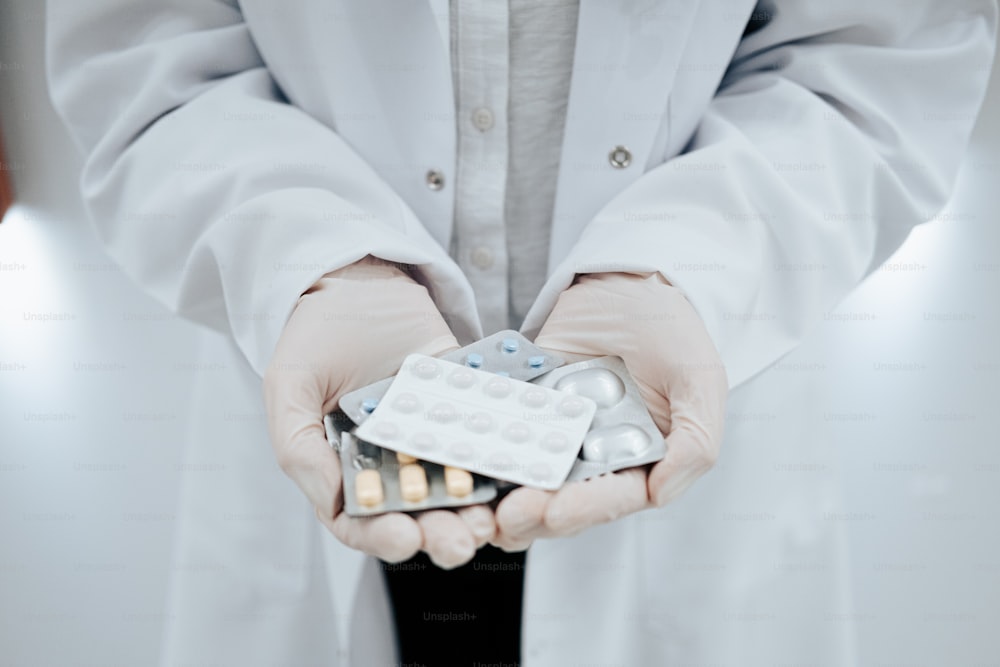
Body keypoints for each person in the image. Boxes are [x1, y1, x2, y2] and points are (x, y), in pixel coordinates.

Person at [47, 1, 997, 664]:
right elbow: (144, 55)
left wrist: (678, 267)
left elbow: (877, 55)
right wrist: (319, 261)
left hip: (691, 372)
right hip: (322, 372)